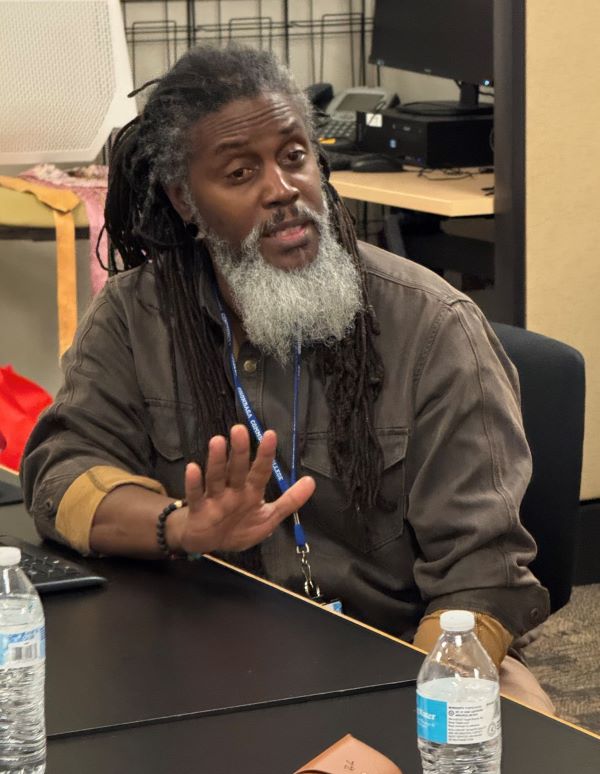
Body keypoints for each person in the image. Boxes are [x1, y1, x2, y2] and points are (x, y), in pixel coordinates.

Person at [21, 45, 553, 712]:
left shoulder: (433, 327)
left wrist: (409, 707)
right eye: (241, 172)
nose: (282, 189)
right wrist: (180, 527)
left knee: (517, 722)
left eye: (294, 156)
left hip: (396, 654)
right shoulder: (135, 316)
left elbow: (485, 575)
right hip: (208, 656)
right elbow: (61, 472)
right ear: (185, 199)